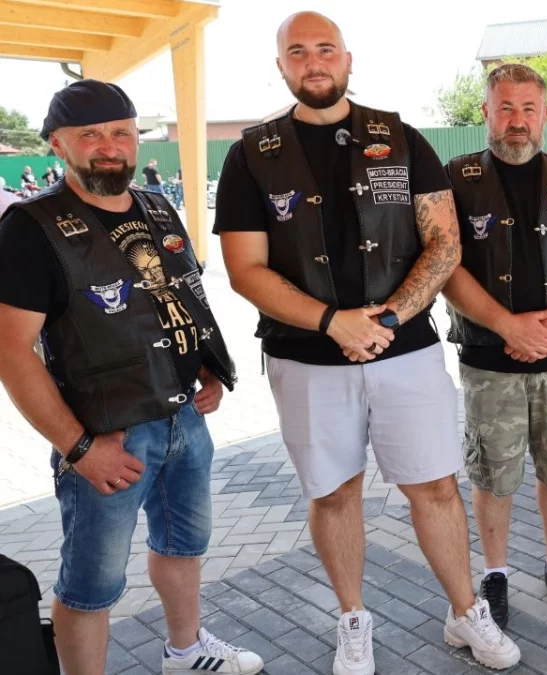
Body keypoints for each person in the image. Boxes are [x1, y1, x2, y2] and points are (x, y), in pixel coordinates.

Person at [215, 12, 519, 673]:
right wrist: (334, 322)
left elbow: (445, 243)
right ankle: (353, 619)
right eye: (298, 52)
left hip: (405, 351)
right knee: (333, 493)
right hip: (306, 357)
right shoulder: (251, 155)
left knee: (435, 486)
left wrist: (383, 320)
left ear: (348, 59)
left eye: (326, 49)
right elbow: (245, 269)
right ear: (281, 66)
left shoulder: (401, 138)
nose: (313, 62)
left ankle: (465, 611)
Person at [0, 80, 261, 675]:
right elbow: (11, 351)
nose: (109, 147)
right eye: (89, 135)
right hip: (108, 439)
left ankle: (186, 650)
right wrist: (79, 447)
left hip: (184, 421)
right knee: (91, 586)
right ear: (57, 144)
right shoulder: (30, 227)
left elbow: (172, 297)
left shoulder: (157, 206)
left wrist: (205, 366)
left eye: (120, 132)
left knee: (183, 546)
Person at [442, 63, 547, 628]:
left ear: (545, 115)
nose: (518, 121)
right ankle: (495, 573)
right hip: (489, 360)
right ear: (486, 113)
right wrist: (508, 326)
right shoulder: (456, 177)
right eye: (506, 108)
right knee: (493, 471)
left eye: (528, 109)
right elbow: (446, 265)